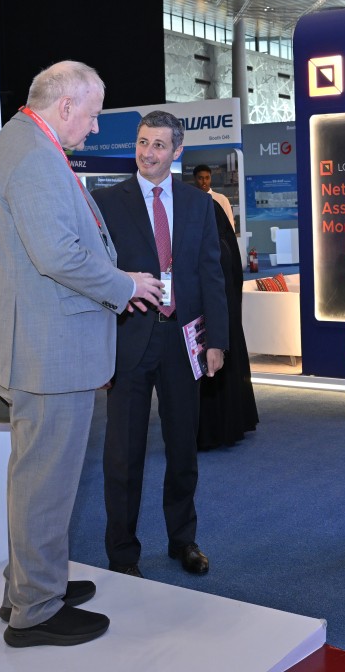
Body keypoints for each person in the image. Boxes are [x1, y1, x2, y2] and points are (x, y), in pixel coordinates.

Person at [0, 61, 164, 648]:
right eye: (93, 113)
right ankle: (35, 610)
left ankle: (30, 586)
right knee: (45, 483)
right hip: (48, 351)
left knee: (36, 477)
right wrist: (125, 285)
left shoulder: (20, 142)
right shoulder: (33, 154)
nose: (95, 125)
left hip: (41, 343)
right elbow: (57, 254)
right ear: (65, 106)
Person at [92, 110, 229, 579]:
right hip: (128, 340)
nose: (147, 153)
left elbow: (211, 272)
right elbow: (94, 272)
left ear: (177, 151)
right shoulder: (107, 202)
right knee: (123, 455)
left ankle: (183, 539)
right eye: (142, 142)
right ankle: (122, 553)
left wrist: (216, 340)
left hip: (182, 342)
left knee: (183, 449)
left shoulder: (197, 204)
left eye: (158, 145)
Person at [198, 196, 260, 450]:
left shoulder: (208, 242)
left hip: (211, 313)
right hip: (226, 311)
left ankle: (211, 431)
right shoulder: (223, 242)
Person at [193, 163, 235, 232]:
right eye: (200, 178)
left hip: (217, 237)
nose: (204, 181)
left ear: (210, 178)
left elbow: (230, 225)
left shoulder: (221, 199)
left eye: (207, 178)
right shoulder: (191, 200)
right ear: (195, 179)